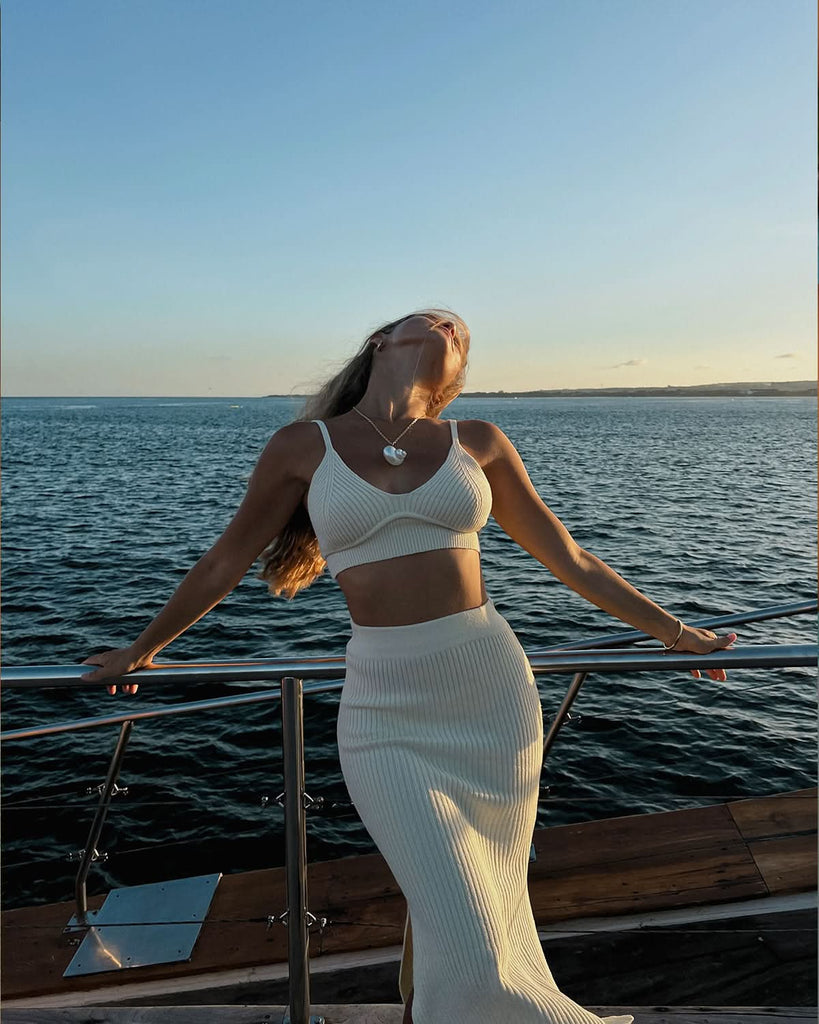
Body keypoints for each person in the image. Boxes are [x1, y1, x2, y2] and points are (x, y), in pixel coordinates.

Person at [81, 308, 736, 1023]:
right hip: (383, 711)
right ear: (380, 341)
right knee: (464, 920)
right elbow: (224, 560)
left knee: (487, 906)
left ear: (458, 371)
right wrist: (141, 648)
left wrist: (674, 633)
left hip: (491, 691)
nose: (451, 325)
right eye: (433, 318)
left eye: (462, 331)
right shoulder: (303, 446)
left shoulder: (475, 441)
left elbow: (568, 558)